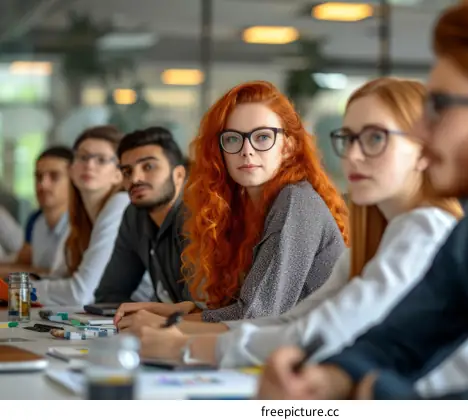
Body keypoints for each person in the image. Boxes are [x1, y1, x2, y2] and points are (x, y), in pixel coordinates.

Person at [257, 0, 468, 400]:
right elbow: (399, 340)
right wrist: (328, 380)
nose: (419, 131)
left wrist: (377, 393)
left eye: (439, 106)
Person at [136, 78, 468, 396]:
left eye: (374, 138)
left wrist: (181, 343)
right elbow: (295, 321)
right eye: (348, 138)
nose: (353, 155)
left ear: (424, 151)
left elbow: (318, 333)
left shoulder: (425, 229)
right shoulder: (383, 235)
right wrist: (179, 336)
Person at [115, 80, 350, 332]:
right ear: (220, 150)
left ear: (288, 147)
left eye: (262, 137)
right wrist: (184, 310)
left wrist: (168, 324)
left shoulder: (296, 201)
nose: (246, 150)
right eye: (232, 139)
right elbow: (243, 311)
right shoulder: (240, 208)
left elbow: (256, 316)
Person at [21, 126, 130, 306]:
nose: (89, 165)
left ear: (119, 174)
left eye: (101, 160)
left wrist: (18, 289)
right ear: (71, 169)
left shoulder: (121, 204)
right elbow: (59, 277)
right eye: (83, 157)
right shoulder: (80, 217)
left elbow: (80, 293)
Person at [94, 127, 187, 304]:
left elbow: (199, 309)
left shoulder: (201, 216)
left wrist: (145, 314)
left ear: (178, 175)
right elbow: (109, 295)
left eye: (148, 166)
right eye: (127, 171)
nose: (135, 179)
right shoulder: (134, 215)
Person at [0, 147, 72, 276]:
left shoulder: (82, 224)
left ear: (74, 182)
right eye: (38, 177)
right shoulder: (36, 220)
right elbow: (23, 263)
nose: (42, 184)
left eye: (54, 176)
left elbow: (61, 277)